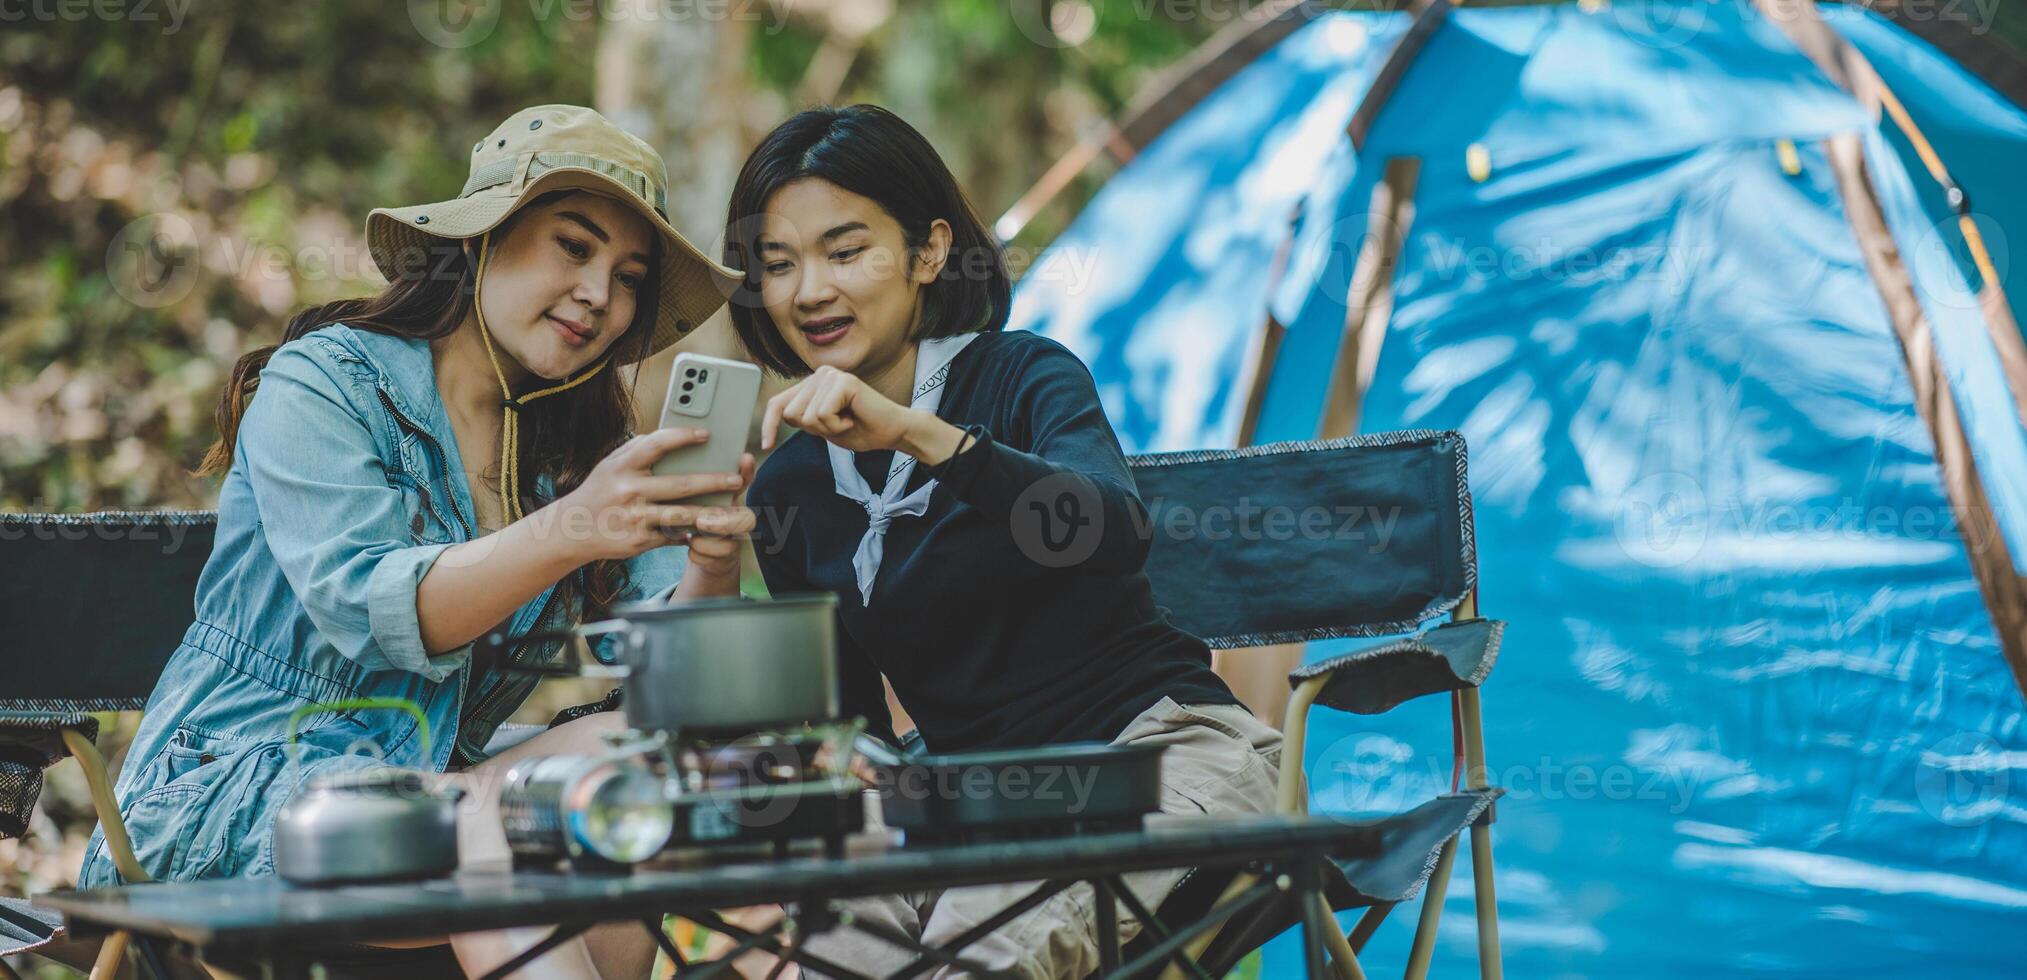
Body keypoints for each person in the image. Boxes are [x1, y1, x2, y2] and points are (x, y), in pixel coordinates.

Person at [77, 105, 752, 978]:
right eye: (573, 247)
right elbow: (370, 605)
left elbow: (692, 701)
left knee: (636, 769)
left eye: (628, 277)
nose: (600, 295)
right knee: (489, 829)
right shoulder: (326, 381)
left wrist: (711, 555)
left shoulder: (576, 457)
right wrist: (575, 526)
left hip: (434, 800)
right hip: (225, 800)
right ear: (479, 239)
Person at [730, 104, 1285, 978]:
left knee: (979, 951)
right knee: (834, 955)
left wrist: (920, 435)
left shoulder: (1023, 374)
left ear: (928, 251)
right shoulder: (788, 487)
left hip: (1156, 756)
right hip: (964, 805)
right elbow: (853, 733)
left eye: (844, 251)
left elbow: (1109, 532)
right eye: (777, 264)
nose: (808, 291)